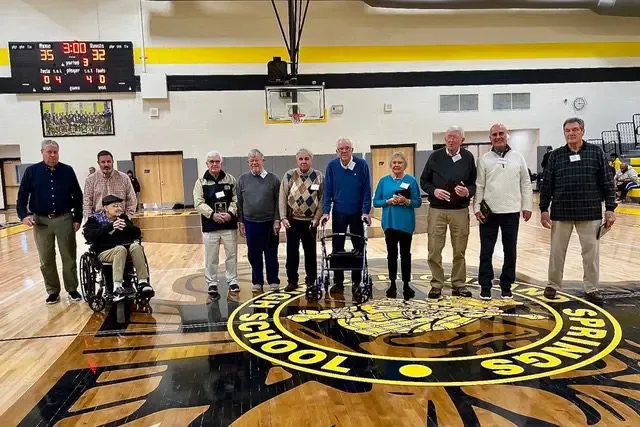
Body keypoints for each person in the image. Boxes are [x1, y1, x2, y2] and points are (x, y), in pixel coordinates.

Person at [540, 117, 616, 304]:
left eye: (575, 129)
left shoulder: (596, 152)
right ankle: (553, 284)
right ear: (564, 133)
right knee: (557, 252)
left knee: (591, 253)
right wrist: (543, 209)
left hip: (590, 211)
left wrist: (610, 208)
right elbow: (547, 184)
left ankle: (592, 288)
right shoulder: (555, 156)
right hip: (561, 211)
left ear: (582, 131)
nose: (571, 133)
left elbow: (607, 181)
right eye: (567, 130)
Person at [17, 139, 83, 304]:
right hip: (41, 222)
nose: (53, 155)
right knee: (46, 259)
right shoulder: (32, 172)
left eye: (55, 152)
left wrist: (78, 218)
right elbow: (22, 195)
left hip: (64, 219)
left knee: (69, 256)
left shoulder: (68, 171)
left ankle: (72, 289)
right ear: (42, 152)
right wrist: (23, 214)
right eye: (49, 152)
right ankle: (53, 291)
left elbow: (78, 196)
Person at [474, 124, 533, 300]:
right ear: (490, 138)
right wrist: (477, 207)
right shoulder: (484, 159)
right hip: (489, 212)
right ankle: (485, 285)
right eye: (494, 134)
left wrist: (527, 206)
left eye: (501, 133)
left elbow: (526, 183)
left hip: (512, 211)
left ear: (507, 135)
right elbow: (479, 185)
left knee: (510, 250)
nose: (498, 137)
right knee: (486, 250)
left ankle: (506, 285)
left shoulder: (518, 157)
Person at [420, 126, 476, 299]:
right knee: (435, 248)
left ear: (462, 140)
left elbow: (475, 184)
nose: (451, 141)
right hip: (437, 209)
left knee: (460, 249)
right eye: (448, 137)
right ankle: (436, 283)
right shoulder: (434, 157)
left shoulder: (468, 157)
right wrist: (434, 191)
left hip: (459, 210)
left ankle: (459, 283)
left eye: (455, 138)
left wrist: (467, 191)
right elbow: (424, 181)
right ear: (444, 139)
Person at [320, 138, 372, 295]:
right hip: (339, 213)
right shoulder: (332, 166)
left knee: (358, 247)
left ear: (352, 149)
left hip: (357, 213)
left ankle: (357, 281)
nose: (344, 151)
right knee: (337, 248)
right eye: (341, 149)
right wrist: (326, 211)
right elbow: (328, 190)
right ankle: (338, 282)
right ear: (337, 151)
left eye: (347, 148)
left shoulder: (362, 165)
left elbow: (366, 190)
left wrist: (365, 211)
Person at [83, 195, 154, 301]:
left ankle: (142, 282)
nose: (118, 208)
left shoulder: (123, 218)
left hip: (126, 250)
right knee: (120, 249)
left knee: (136, 246)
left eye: (120, 205)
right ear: (106, 208)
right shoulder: (94, 220)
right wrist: (110, 227)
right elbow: (89, 236)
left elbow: (137, 233)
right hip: (104, 252)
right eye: (115, 206)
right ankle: (117, 287)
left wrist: (127, 227)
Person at [372, 152, 421, 299]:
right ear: (391, 165)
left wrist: (405, 201)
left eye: (400, 162)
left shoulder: (411, 180)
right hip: (390, 223)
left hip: (406, 224)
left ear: (404, 165)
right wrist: (388, 201)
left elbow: (417, 202)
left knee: (406, 255)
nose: (397, 165)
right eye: (394, 163)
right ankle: (392, 283)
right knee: (391, 255)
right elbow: (376, 202)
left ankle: (406, 284)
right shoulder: (383, 181)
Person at [193, 151, 239, 298]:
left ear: (221, 163)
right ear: (206, 164)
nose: (214, 164)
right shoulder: (200, 182)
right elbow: (198, 203)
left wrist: (230, 214)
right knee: (211, 257)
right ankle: (212, 282)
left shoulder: (231, 179)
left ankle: (232, 280)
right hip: (210, 226)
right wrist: (212, 215)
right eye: (211, 161)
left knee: (231, 255)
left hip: (228, 225)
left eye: (217, 161)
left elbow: (236, 200)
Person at [279, 148, 324, 292]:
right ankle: (292, 281)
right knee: (292, 253)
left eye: (306, 158)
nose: (303, 161)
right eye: (301, 159)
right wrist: (283, 217)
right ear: (297, 160)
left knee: (310, 253)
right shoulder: (289, 175)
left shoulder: (318, 176)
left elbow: (322, 199)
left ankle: (311, 280)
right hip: (292, 221)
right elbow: (282, 197)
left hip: (310, 222)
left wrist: (317, 218)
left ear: (311, 160)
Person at [237, 149, 281, 292]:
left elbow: (278, 202)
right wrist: (241, 221)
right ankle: (257, 281)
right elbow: (239, 202)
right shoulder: (242, 179)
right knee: (253, 254)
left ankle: (273, 280)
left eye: (257, 160)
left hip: (269, 223)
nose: (254, 163)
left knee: (271, 254)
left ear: (263, 160)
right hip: (250, 223)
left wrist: (277, 220)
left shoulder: (273, 179)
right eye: (251, 160)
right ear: (248, 163)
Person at [83, 150, 137, 218]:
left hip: (120, 220)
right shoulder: (90, 180)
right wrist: (90, 222)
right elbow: (87, 203)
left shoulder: (124, 178)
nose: (106, 164)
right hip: (99, 222)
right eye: (103, 162)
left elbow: (132, 200)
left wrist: (127, 218)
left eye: (108, 161)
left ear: (113, 161)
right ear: (98, 163)